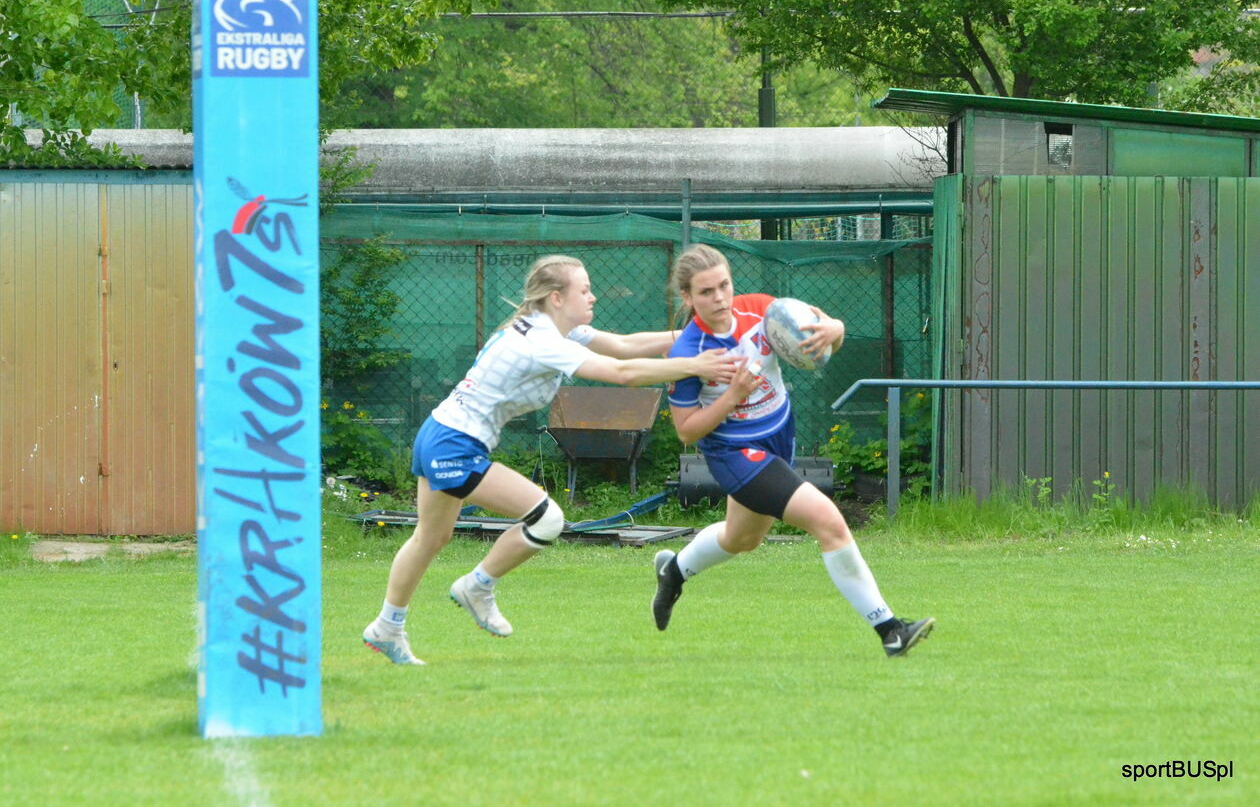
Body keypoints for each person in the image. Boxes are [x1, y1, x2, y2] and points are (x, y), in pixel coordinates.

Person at [363, 254, 738, 665]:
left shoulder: (557, 328)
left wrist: (692, 332)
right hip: (452, 444)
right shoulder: (542, 340)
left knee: (431, 538)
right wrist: (694, 363)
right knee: (546, 519)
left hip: (439, 434)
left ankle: (387, 627)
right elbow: (621, 372)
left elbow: (623, 345)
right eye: (585, 290)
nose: (593, 296)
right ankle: (477, 586)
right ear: (557, 298)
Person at [652, 243, 934, 657]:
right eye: (706, 292)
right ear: (688, 298)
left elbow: (820, 337)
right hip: (736, 454)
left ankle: (673, 571)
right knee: (829, 522)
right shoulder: (688, 353)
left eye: (724, 286)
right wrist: (732, 395)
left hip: (780, 433)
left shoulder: (764, 310)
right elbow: (686, 432)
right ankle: (891, 630)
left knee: (741, 539)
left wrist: (835, 329)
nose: (719, 298)